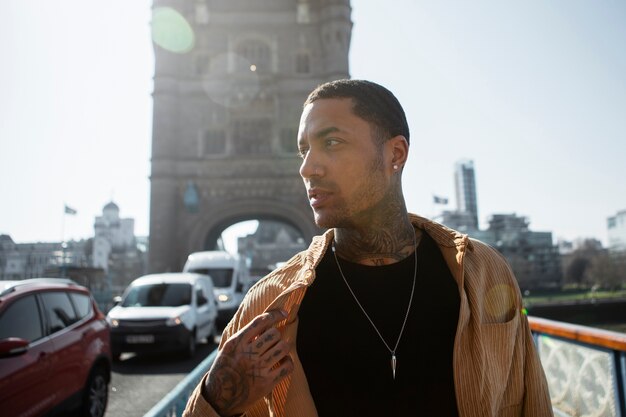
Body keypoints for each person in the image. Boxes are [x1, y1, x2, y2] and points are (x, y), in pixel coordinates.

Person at [183, 79, 553, 417]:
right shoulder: (269, 306)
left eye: (331, 143)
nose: (307, 168)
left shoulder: (485, 271)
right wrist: (216, 399)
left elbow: (531, 400)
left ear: (395, 154)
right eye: (303, 151)